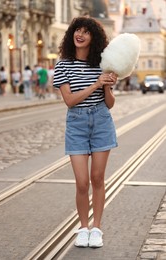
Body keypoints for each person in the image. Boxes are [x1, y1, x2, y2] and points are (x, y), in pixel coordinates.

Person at [53, 17, 118, 248]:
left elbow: (110, 103)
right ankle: (83, 228)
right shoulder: (63, 65)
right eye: (76, 31)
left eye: (85, 32)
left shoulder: (103, 64)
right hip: (77, 123)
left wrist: (107, 86)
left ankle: (96, 228)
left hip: (101, 120)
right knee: (82, 182)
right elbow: (69, 101)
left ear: (94, 38)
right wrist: (95, 84)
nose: (79, 35)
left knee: (97, 178)